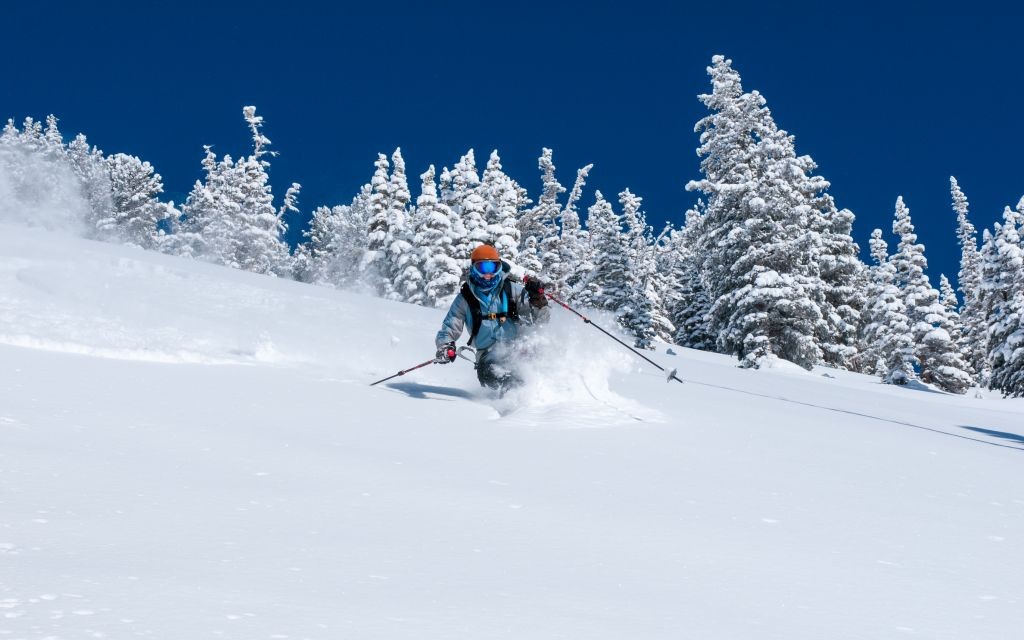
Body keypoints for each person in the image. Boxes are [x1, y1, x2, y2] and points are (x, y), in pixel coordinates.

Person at [434, 244, 550, 393]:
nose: (488, 274)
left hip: (518, 347)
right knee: (495, 375)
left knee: (536, 367)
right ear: (474, 268)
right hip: (488, 355)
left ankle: (547, 395)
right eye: (483, 268)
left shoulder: (511, 290)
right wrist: (445, 345)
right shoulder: (465, 298)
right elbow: (450, 326)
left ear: (499, 268)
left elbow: (540, 322)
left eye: (493, 268)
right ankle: (517, 400)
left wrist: (538, 300)